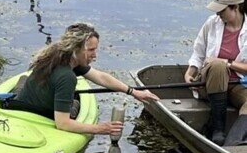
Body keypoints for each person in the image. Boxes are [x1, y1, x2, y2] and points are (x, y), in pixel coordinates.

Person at [15, 23, 159, 136]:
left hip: (22, 106)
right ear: (75, 48)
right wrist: (100, 128)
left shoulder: (58, 56)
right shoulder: (67, 76)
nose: (94, 55)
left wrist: (133, 92)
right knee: (75, 103)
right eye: (90, 50)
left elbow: (100, 77)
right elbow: (62, 124)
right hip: (39, 116)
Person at [184, 0, 247, 146]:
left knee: (221, 64)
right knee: (218, 67)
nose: (218, 14)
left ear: (235, 7)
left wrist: (226, 62)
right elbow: (198, 53)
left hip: (236, 84)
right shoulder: (212, 23)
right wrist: (189, 73)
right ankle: (217, 129)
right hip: (209, 83)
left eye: (222, 10)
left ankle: (234, 142)